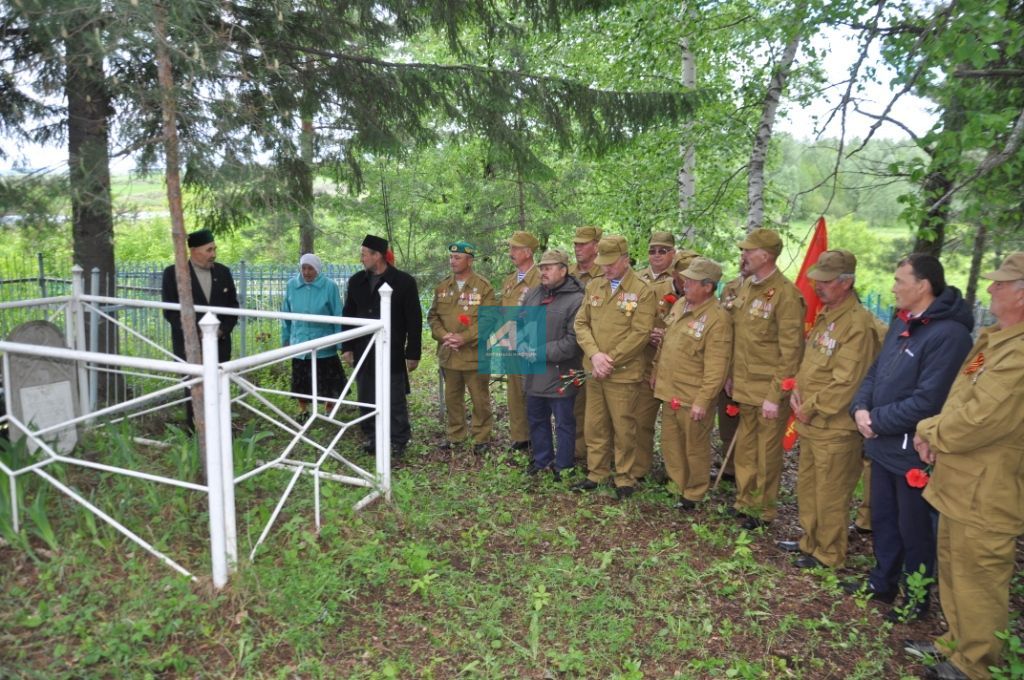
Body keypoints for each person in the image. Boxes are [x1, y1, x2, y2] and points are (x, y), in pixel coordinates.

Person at [907, 252, 1024, 680]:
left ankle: (976, 666)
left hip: (989, 489)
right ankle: (956, 644)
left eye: (1002, 284)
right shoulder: (997, 340)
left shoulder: (1019, 353)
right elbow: (962, 400)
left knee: (979, 580)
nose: (991, 289)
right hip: (961, 480)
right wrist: (934, 430)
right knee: (955, 570)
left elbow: (982, 419)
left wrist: (929, 431)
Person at [846, 253, 973, 623]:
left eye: (900, 281)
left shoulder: (949, 335)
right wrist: (860, 408)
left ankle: (916, 600)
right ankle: (882, 583)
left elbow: (928, 400)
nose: (893, 287)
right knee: (884, 519)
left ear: (923, 285)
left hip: (912, 453)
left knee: (914, 530)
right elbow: (875, 373)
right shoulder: (904, 322)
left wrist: (877, 420)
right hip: (883, 445)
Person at [775, 250, 882, 569]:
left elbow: (846, 382)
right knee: (809, 486)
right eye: (816, 280)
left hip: (834, 426)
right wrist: (797, 395)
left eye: (826, 281)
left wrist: (810, 406)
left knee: (831, 492)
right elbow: (815, 367)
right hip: (813, 421)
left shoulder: (856, 324)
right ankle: (810, 542)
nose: (818, 286)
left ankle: (829, 553)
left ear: (846, 283)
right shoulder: (827, 316)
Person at [727, 228, 805, 529]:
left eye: (749, 251)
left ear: (766, 256)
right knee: (745, 449)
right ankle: (745, 502)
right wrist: (732, 375)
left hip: (767, 390)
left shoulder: (786, 295)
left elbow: (791, 353)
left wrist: (776, 395)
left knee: (766, 452)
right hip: (744, 385)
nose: (743, 255)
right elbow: (740, 338)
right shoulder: (747, 287)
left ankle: (763, 509)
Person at [571, 235, 656, 498]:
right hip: (594, 370)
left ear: (624, 259)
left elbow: (640, 334)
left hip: (623, 374)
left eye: (610, 263)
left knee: (623, 427)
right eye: (602, 263)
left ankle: (625, 478)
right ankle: (596, 473)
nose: (605, 268)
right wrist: (595, 356)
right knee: (594, 425)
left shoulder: (643, 290)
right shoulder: (595, 286)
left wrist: (610, 360)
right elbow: (580, 324)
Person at [651, 257, 732, 509]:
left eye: (692, 281)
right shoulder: (681, 305)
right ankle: (678, 484)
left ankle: (694, 493)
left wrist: (704, 400)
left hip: (692, 395)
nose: (685, 283)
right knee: (671, 444)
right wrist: (655, 371)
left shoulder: (718, 319)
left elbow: (717, 367)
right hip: (669, 389)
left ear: (708, 287)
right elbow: (667, 342)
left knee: (694, 447)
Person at [342, 235, 422, 458]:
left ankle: (398, 439)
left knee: (393, 395)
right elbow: (348, 314)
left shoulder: (404, 282)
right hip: (362, 348)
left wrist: (412, 353)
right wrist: (347, 346)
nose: (361, 259)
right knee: (366, 393)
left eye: (364, 254)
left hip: (392, 349)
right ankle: (372, 436)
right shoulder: (356, 281)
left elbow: (414, 320)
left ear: (377, 256)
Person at [161, 229, 240, 431]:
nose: (213, 254)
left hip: (220, 344)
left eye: (214, 249)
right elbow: (170, 311)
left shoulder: (223, 272)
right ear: (193, 250)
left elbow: (233, 308)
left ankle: (222, 430)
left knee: (220, 389)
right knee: (194, 389)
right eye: (208, 250)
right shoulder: (174, 274)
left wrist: (222, 331)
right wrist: (192, 332)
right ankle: (196, 432)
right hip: (189, 346)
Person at [427, 241, 497, 453]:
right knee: (452, 398)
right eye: (451, 257)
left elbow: (489, 320)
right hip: (449, 353)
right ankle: (456, 435)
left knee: (479, 398)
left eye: (457, 258)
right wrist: (444, 335)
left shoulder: (483, 287)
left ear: (470, 260)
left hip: (474, 354)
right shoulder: (442, 287)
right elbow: (433, 317)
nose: (452, 261)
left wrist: (463, 338)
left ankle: (481, 438)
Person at [521, 249, 584, 479]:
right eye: (541, 267)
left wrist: (537, 352)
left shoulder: (577, 299)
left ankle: (563, 466)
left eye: (548, 267)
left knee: (564, 423)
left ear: (563, 270)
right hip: (533, 373)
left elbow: (572, 342)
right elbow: (521, 321)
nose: (543, 272)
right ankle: (542, 461)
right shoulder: (534, 294)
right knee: (537, 419)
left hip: (561, 373)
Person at [632, 232, 685, 482]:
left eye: (662, 251)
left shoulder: (684, 278)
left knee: (676, 425)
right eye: (652, 250)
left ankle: (676, 474)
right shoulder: (637, 278)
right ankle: (640, 467)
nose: (656, 255)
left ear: (673, 254)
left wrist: (666, 335)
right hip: (644, 358)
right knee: (641, 418)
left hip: (676, 363)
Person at [281, 254, 345, 417]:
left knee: (327, 379)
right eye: (303, 268)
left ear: (317, 269)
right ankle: (303, 410)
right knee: (301, 379)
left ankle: (329, 408)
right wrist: (286, 339)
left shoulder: (329, 286)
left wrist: (340, 342)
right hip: (300, 341)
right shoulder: (291, 286)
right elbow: (286, 314)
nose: (306, 272)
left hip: (323, 342)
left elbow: (337, 314)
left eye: (310, 268)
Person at [500, 231, 541, 453]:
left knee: (533, 392)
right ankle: (520, 437)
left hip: (531, 344)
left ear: (528, 252)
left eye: (515, 249)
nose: (511, 253)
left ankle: (538, 437)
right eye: (511, 248)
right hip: (510, 344)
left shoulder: (539, 279)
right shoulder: (509, 281)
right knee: (514, 392)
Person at [569, 225, 604, 468]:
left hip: (596, 352)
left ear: (597, 246)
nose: (578, 248)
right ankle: (576, 451)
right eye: (576, 244)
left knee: (597, 410)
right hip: (567, 349)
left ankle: (598, 456)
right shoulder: (567, 273)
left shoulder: (607, 274)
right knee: (572, 404)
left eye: (583, 244)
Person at [713, 268, 745, 482]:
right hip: (727, 360)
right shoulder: (732, 287)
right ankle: (730, 465)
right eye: (742, 252)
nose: (744, 257)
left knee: (751, 429)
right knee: (727, 419)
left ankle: (747, 474)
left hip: (752, 367)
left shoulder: (776, 293)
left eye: (749, 252)